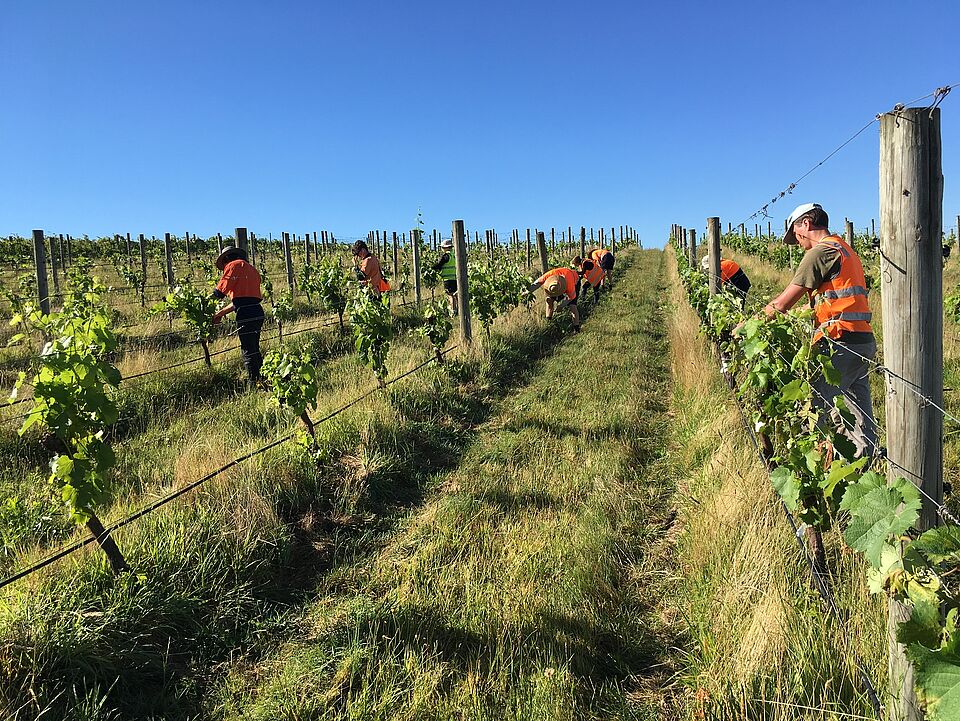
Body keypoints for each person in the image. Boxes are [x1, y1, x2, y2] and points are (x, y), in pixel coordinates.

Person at [762, 202, 876, 458]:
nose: (798, 241)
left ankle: (823, 477)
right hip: (862, 340)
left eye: (796, 234)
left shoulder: (820, 252)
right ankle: (863, 468)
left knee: (814, 412)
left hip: (839, 342)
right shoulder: (844, 248)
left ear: (806, 223)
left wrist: (748, 326)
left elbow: (782, 303)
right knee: (859, 419)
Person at [211, 245, 264, 388]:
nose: (224, 268)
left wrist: (206, 305)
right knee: (254, 347)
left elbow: (219, 293)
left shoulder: (233, 266)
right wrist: (220, 313)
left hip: (245, 314)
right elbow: (241, 301)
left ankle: (254, 384)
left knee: (247, 349)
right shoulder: (252, 270)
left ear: (227, 258)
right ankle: (262, 379)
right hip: (257, 312)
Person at [530, 266, 581, 331]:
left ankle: (576, 328)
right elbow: (537, 283)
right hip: (557, 285)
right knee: (549, 300)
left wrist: (561, 306)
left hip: (575, 282)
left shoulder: (570, 284)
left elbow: (571, 297)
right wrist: (527, 292)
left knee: (572, 306)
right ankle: (548, 322)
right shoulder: (550, 275)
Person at [432, 238, 458, 315]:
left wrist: (432, 268)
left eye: (443, 247)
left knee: (450, 295)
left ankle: (452, 311)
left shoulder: (446, 256)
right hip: (455, 278)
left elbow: (439, 265)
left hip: (447, 279)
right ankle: (457, 309)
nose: (442, 249)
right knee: (455, 294)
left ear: (446, 247)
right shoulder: (454, 255)